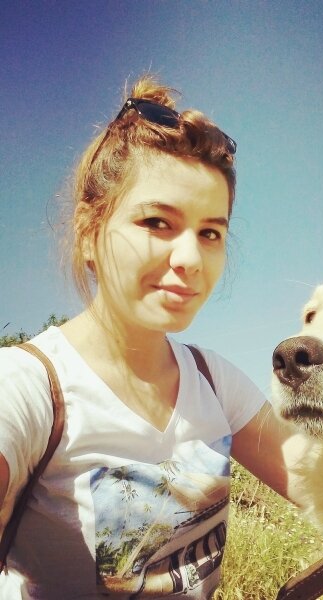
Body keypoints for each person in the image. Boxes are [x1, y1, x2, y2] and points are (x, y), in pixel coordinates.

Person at [0, 75, 295, 599]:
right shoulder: (28, 388)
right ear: (90, 233)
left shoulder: (214, 381)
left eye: (210, 233)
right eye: (157, 222)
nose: (189, 259)